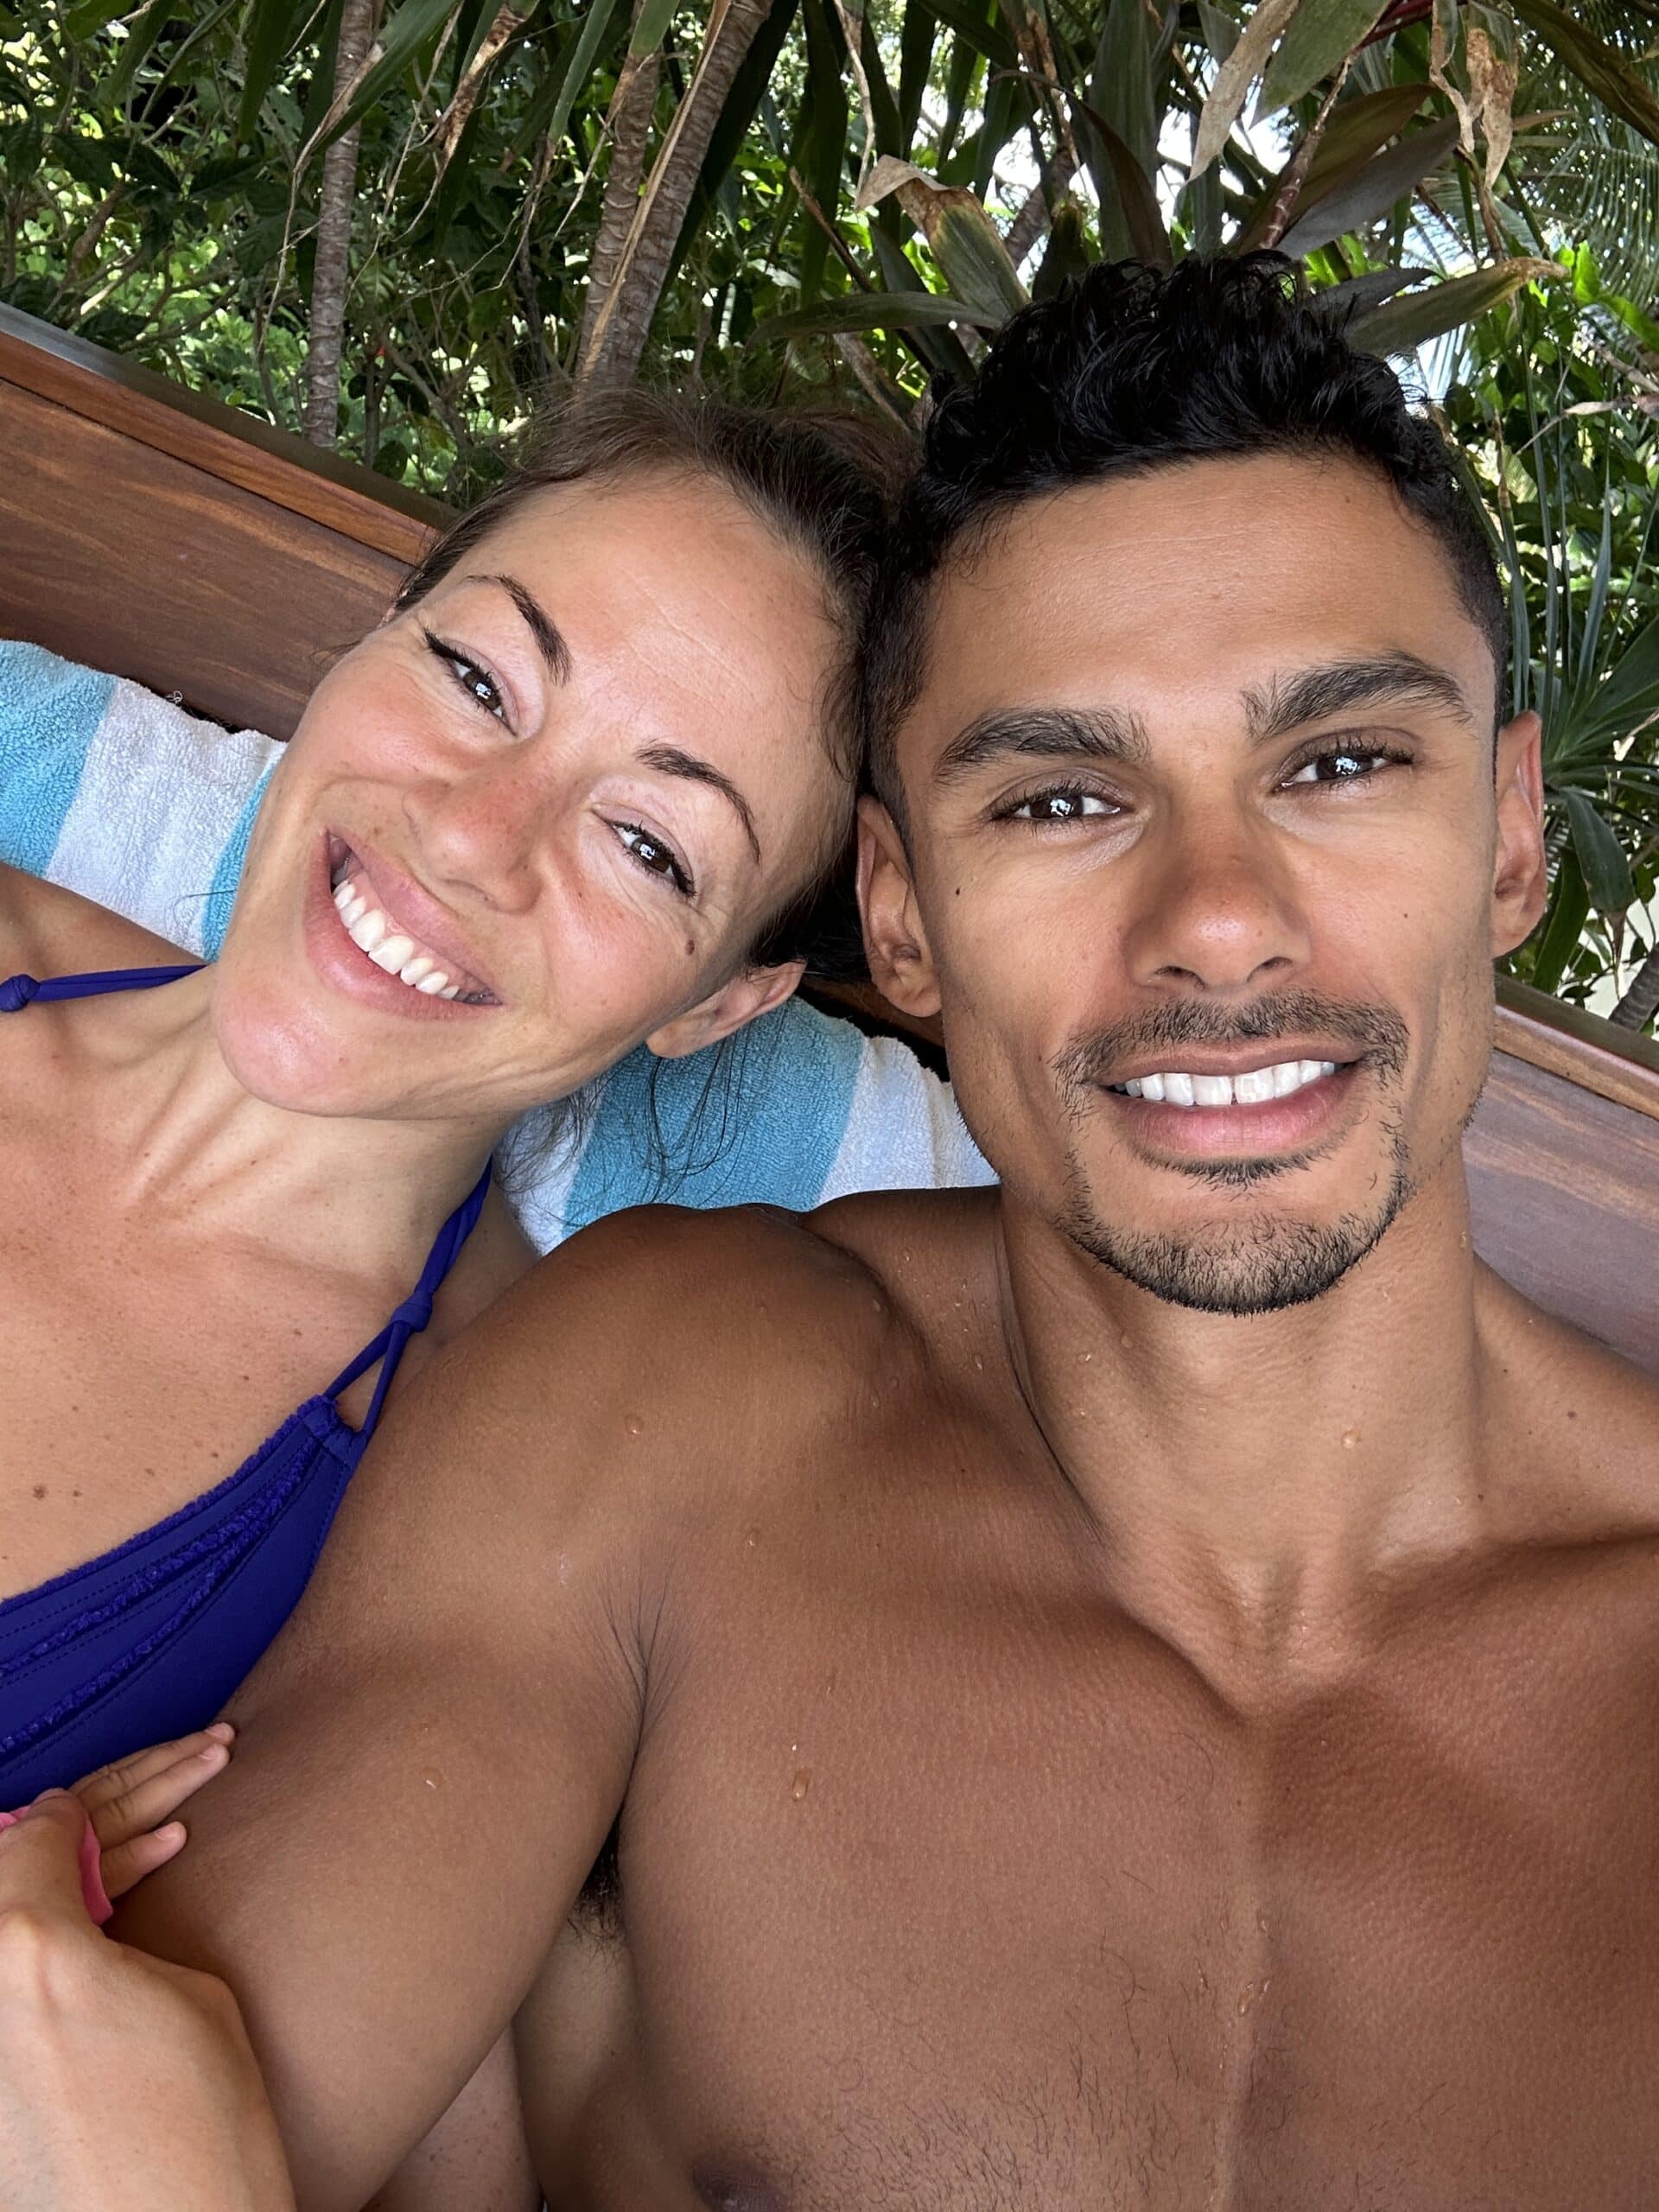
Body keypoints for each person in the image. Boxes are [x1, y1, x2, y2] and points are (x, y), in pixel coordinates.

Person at [16, 253, 1659, 2208]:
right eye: (1060, 797)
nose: (1219, 915)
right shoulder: (657, 1399)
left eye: (1336, 763)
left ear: (1506, 833)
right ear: (898, 915)